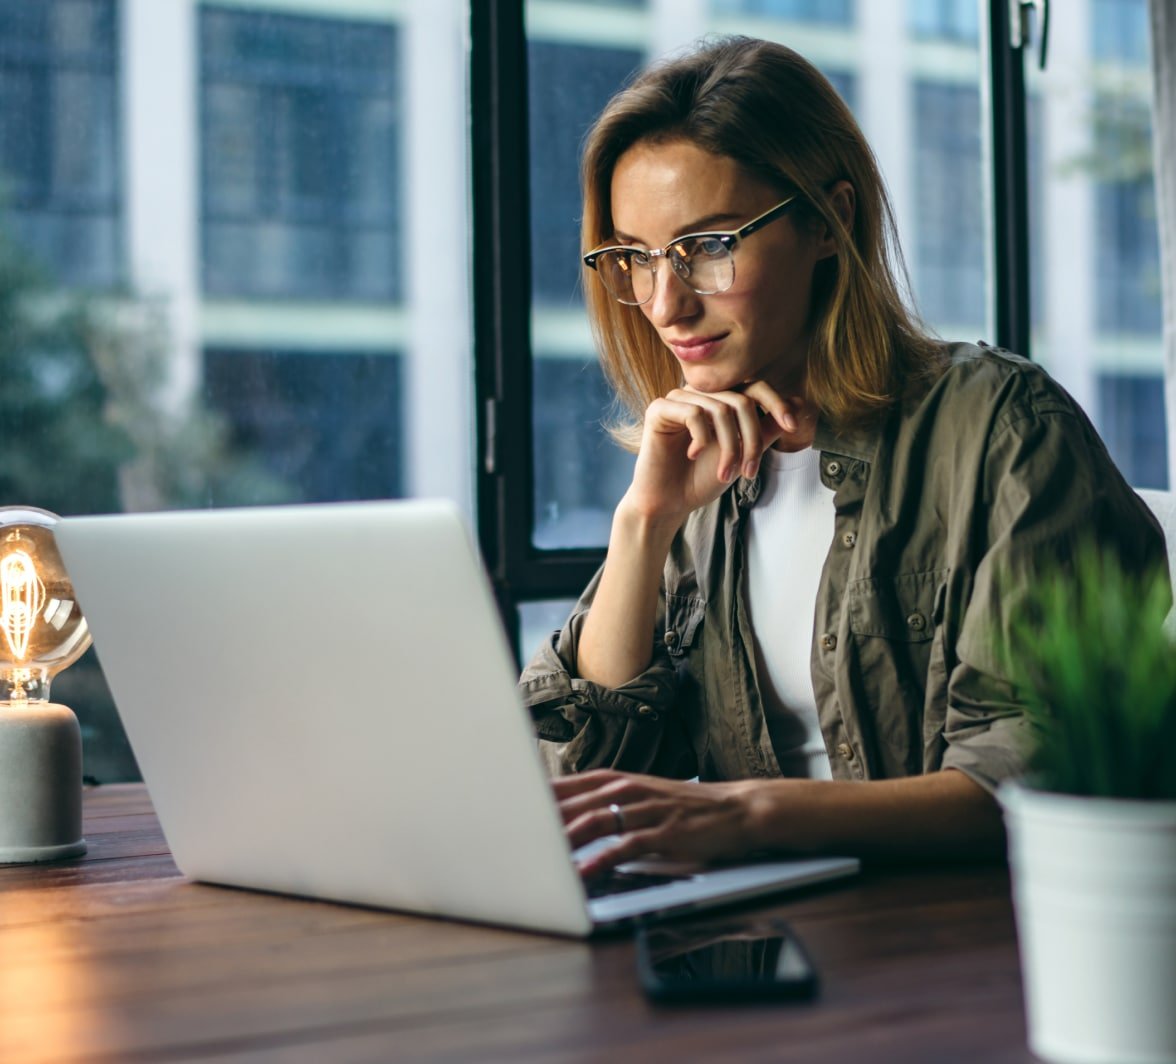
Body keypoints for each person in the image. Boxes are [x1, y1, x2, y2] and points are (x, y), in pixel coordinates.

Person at [518, 35, 1167, 878]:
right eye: (635, 258)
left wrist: (749, 814)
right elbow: (577, 779)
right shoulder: (700, 464)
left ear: (830, 221)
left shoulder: (1003, 428)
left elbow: (1024, 781)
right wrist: (643, 524)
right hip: (754, 941)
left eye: (708, 247)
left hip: (945, 950)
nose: (664, 304)